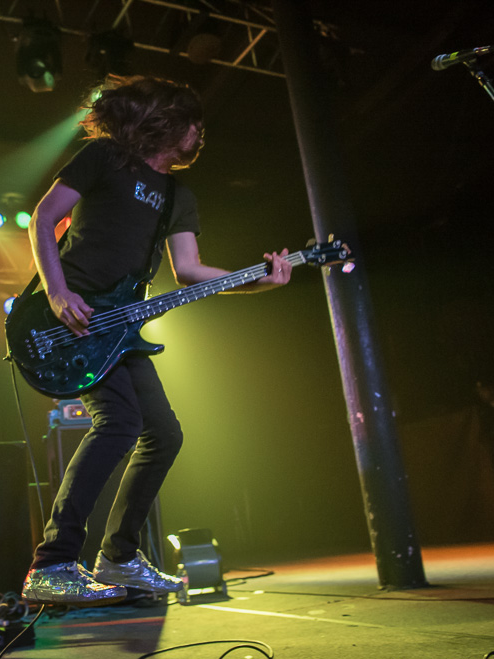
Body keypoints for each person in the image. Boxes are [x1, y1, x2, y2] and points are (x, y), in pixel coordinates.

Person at [20, 75, 292, 606]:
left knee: (163, 433)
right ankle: (52, 564)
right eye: (195, 124)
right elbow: (44, 217)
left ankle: (119, 558)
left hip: (120, 328)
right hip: (70, 318)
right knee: (120, 423)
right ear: (168, 120)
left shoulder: (177, 196)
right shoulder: (104, 158)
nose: (200, 135)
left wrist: (257, 279)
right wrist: (57, 294)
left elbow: (188, 270)